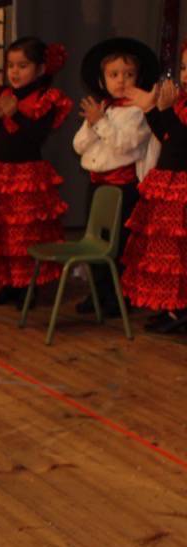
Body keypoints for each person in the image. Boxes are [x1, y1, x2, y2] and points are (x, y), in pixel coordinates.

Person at [0, 38, 73, 308]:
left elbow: (34, 137)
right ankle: (8, 283)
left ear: (39, 69)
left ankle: (29, 286)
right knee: (2, 232)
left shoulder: (46, 99)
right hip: (1, 173)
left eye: (22, 66)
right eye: (11, 65)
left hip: (29, 174)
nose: (14, 72)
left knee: (26, 233)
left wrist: (15, 114)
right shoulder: (1, 93)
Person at [72, 37, 158, 318]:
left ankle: (118, 296)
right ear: (103, 78)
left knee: (119, 245)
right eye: (113, 75)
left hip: (122, 187)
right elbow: (78, 146)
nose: (121, 80)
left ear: (139, 76)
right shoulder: (103, 108)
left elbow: (124, 145)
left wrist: (101, 124)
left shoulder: (138, 111)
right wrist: (93, 123)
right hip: (97, 185)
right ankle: (96, 293)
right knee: (95, 238)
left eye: (128, 74)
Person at [120, 44, 187, 333]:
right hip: (169, 181)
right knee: (170, 254)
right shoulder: (182, 101)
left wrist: (167, 111)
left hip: (183, 184)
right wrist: (151, 110)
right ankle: (174, 308)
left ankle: (182, 311)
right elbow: (168, 136)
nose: (186, 73)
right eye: (184, 67)